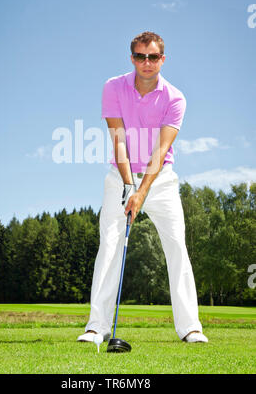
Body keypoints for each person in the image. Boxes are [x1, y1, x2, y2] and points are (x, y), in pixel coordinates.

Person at [78, 31, 208, 344]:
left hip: (160, 179)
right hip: (120, 176)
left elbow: (161, 152)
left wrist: (141, 190)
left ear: (162, 59)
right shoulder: (113, 87)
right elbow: (118, 139)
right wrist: (127, 185)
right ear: (132, 58)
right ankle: (97, 328)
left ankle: (190, 328)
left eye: (152, 57)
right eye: (140, 56)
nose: (146, 62)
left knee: (176, 246)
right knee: (109, 246)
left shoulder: (175, 98)